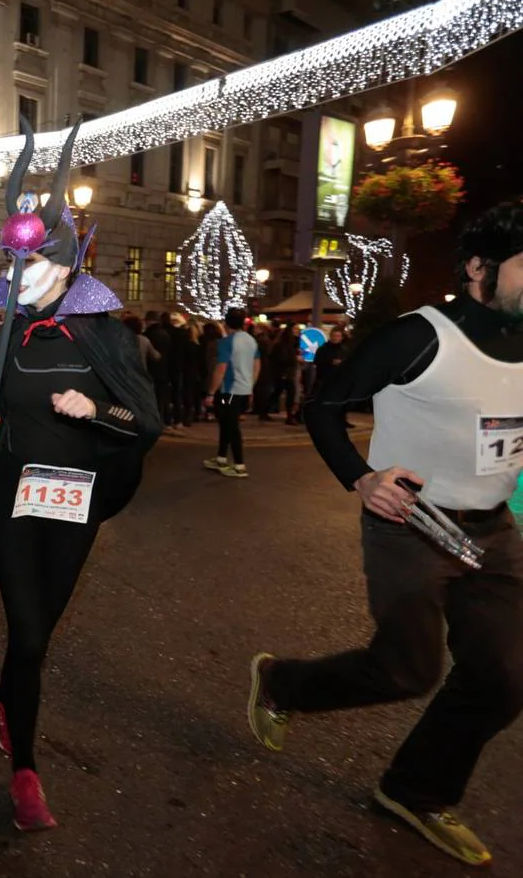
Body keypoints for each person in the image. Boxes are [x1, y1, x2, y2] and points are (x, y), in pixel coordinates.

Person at [0, 118, 160, 832]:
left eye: (35, 262)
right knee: (33, 636)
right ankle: (26, 775)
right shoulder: (8, 333)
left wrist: (95, 407)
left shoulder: (108, 336)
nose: (19, 275)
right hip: (13, 497)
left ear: (68, 265)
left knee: (35, 635)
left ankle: (7, 697)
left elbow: (146, 425)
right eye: (15, 263)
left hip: (73, 505)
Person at [248, 202, 523, 867]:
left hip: (495, 530)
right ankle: (283, 685)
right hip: (413, 526)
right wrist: (363, 479)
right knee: (408, 670)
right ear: (480, 267)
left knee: (507, 676)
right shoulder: (418, 336)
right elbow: (324, 406)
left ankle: (416, 791)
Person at [202, 308, 260, 478]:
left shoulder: (226, 343)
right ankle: (221, 458)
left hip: (229, 390)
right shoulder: (251, 341)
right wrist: (250, 386)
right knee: (227, 424)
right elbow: (257, 366)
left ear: (226, 323)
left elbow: (221, 368)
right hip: (243, 389)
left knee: (231, 427)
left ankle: (239, 465)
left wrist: (211, 393)